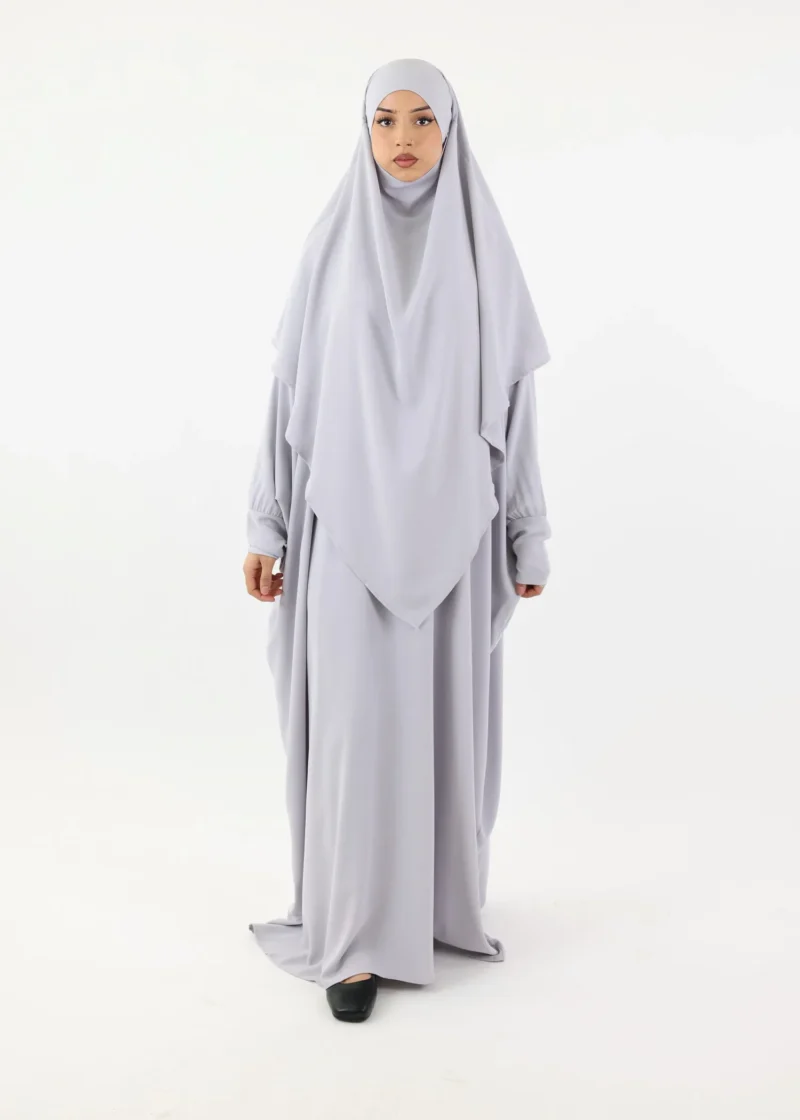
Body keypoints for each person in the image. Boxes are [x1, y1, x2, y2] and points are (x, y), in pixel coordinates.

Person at [242, 58, 552, 1023]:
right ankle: (353, 942)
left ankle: (429, 910)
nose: (405, 137)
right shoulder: (331, 249)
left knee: (436, 730)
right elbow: (289, 397)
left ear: (450, 132)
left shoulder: (483, 254)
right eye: (385, 119)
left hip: (454, 536)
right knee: (355, 733)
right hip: (343, 537)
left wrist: (528, 531)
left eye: (424, 119)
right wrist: (266, 521)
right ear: (364, 130)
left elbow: (516, 404)